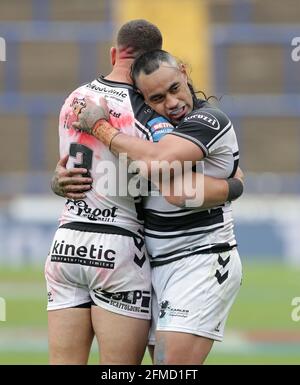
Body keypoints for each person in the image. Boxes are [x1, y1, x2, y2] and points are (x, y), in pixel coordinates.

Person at [48, 20, 242, 365]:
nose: (171, 102)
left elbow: (165, 171)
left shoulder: (207, 119)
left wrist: (232, 186)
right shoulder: (146, 115)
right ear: (141, 83)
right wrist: (57, 180)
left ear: (182, 71)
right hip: (145, 259)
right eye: (157, 96)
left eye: (174, 89)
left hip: (199, 257)